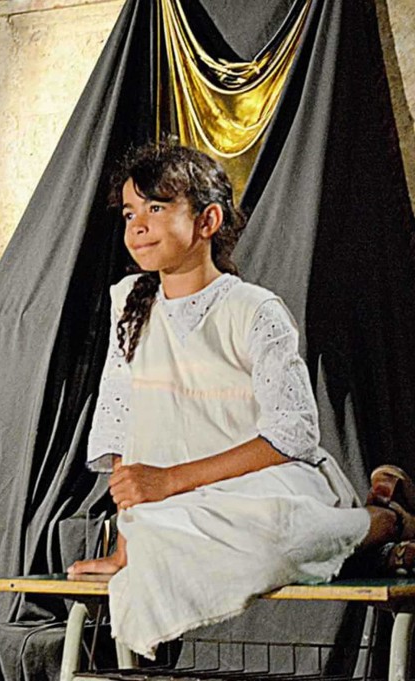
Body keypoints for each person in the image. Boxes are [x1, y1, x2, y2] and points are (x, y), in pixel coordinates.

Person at [66, 143, 414, 658]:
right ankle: (362, 543)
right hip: (181, 504)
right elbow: (123, 427)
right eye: (130, 213)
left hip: (259, 486)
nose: (137, 226)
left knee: (269, 532)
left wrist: (169, 481)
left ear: (207, 220)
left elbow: (292, 436)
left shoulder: (254, 310)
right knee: (164, 542)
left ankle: (383, 520)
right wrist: (127, 545)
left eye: (156, 208)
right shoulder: (129, 305)